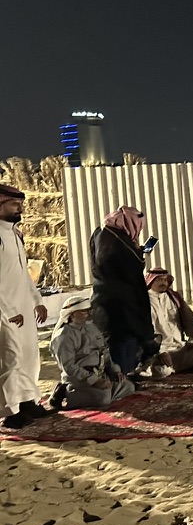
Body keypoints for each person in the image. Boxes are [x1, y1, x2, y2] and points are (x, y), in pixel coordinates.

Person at [0, 183, 52, 428]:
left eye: (21, 204)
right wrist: (9, 312)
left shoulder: (16, 234)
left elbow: (23, 274)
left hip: (25, 308)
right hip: (5, 311)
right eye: (14, 204)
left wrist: (37, 300)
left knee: (30, 357)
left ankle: (29, 400)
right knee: (10, 360)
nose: (19, 209)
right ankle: (11, 412)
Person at [89, 206, 159, 375]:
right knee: (124, 339)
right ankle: (122, 376)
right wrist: (138, 253)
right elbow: (132, 266)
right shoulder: (117, 239)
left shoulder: (101, 232)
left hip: (104, 296)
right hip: (121, 301)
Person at [48, 296, 135, 410]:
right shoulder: (63, 336)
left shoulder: (91, 328)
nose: (89, 314)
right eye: (84, 312)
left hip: (99, 373)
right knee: (102, 399)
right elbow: (69, 367)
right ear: (72, 314)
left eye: (89, 310)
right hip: (80, 378)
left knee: (129, 387)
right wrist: (94, 381)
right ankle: (66, 392)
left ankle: (102, 393)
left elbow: (104, 351)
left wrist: (114, 371)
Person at [144, 268, 193, 378]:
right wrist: (160, 351)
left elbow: (190, 321)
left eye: (165, 280)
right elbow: (145, 332)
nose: (163, 283)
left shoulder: (174, 297)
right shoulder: (143, 301)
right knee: (159, 371)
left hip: (178, 348)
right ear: (151, 281)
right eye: (159, 280)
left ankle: (172, 367)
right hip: (157, 350)